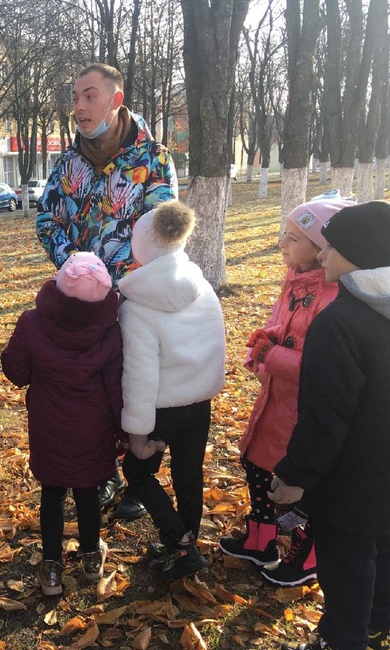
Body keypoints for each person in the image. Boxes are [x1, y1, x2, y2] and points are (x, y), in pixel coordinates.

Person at [269, 202, 390, 650]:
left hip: (348, 471)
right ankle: (379, 625)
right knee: (382, 544)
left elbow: (324, 415)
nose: (322, 255)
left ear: (358, 253)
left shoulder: (339, 323)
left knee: (345, 560)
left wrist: (295, 476)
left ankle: (343, 639)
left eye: (332, 247)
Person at [36, 62, 178, 516]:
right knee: (93, 388)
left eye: (89, 95)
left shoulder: (153, 158)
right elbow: (47, 219)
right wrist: (75, 270)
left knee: (139, 384)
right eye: (75, 97)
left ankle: (141, 479)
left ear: (116, 100)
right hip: (80, 302)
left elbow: (162, 228)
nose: (78, 106)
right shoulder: (68, 163)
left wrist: (122, 277)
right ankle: (103, 472)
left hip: (135, 296)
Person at [218, 196, 356, 587]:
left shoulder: (332, 297)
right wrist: (261, 351)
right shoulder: (296, 281)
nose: (282, 244)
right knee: (257, 466)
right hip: (277, 399)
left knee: (300, 484)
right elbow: (282, 325)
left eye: (293, 238)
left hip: (306, 410)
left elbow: (319, 368)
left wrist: (271, 355)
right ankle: (261, 539)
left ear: (322, 248)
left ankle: (306, 552)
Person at [1, 252, 123, 596]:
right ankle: (91, 558)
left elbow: (16, 371)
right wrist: (123, 430)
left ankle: (52, 567)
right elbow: (115, 384)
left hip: (48, 421)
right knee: (87, 490)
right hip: (93, 423)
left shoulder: (32, 323)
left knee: (52, 492)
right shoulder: (110, 331)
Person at [118, 201, 226, 579]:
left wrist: (137, 434)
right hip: (199, 403)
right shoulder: (202, 286)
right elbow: (215, 344)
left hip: (162, 408)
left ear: (140, 247)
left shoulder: (136, 305)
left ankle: (178, 539)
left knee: (137, 470)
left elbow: (139, 374)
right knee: (188, 473)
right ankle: (187, 541)